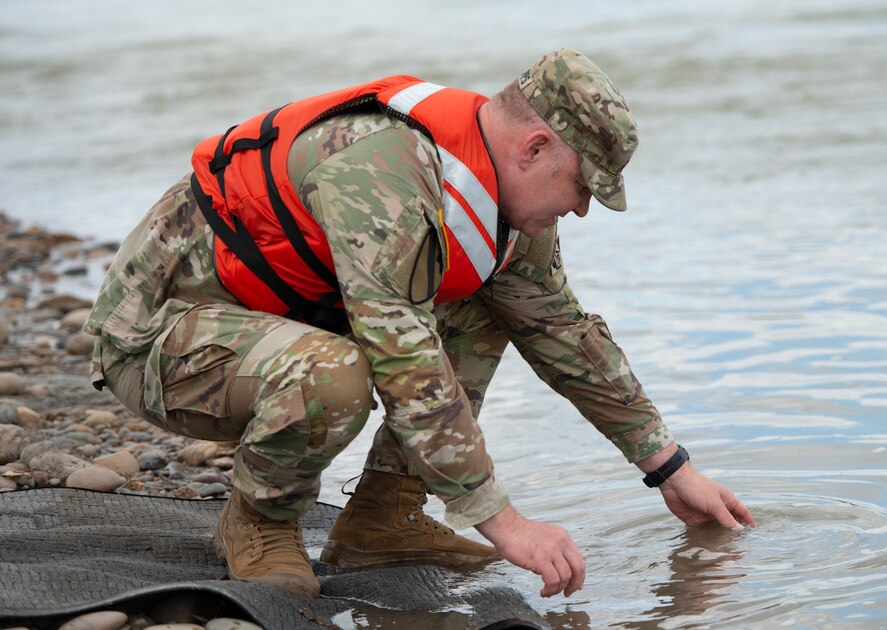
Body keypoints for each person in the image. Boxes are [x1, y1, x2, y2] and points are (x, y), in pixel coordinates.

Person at [84, 48, 755, 600]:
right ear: (535, 148)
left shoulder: (513, 214)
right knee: (334, 377)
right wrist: (505, 523)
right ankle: (259, 519)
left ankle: (383, 518)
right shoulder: (384, 172)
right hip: (161, 335)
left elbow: (563, 332)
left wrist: (670, 469)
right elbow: (405, 363)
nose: (582, 210)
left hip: (278, 322)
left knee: (485, 311)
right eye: (583, 186)